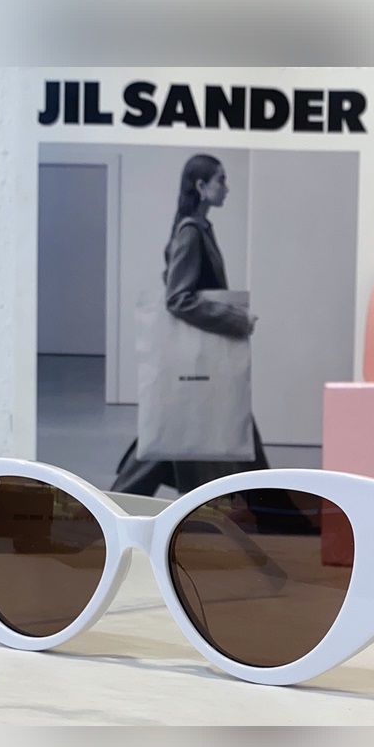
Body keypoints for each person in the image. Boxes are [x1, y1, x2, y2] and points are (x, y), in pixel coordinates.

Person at [111, 154, 271, 496]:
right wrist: (236, 319)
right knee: (195, 434)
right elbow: (177, 298)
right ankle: (276, 513)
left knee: (176, 434)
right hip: (203, 359)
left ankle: (113, 504)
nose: (226, 188)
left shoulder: (197, 229)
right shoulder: (191, 232)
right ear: (201, 186)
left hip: (200, 360)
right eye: (220, 180)